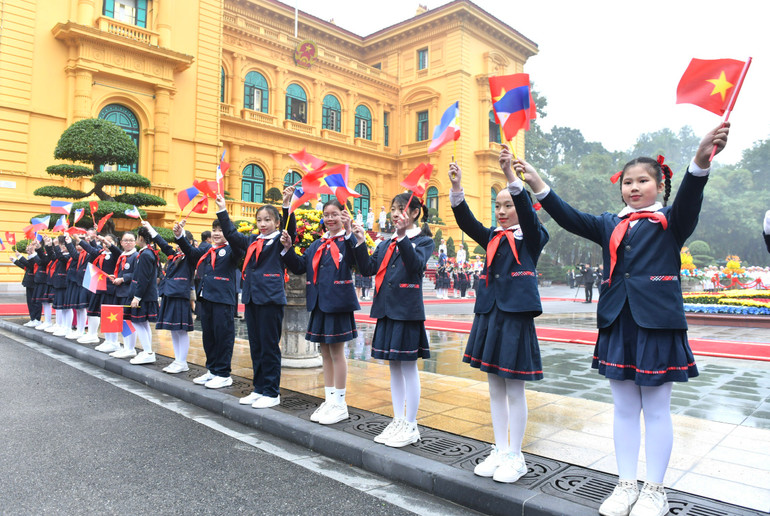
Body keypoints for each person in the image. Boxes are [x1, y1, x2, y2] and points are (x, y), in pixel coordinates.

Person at [515, 123, 730, 516]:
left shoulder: (671, 222)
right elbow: (566, 216)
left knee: (658, 409)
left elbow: (691, 193)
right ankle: (625, 484)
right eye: (627, 182)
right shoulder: (608, 224)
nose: (634, 187)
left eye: (643, 180)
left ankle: (655, 490)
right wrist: (539, 184)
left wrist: (701, 160)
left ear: (659, 185)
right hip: (618, 322)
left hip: (658, 324)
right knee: (625, 409)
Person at [449, 154, 548, 483]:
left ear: (523, 207)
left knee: (514, 391)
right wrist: (457, 187)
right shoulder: (492, 237)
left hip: (516, 318)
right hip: (490, 315)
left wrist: (509, 174)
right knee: (494, 389)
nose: (502, 211)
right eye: (498, 205)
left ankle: (515, 456)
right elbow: (467, 223)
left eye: (509, 204)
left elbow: (530, 221)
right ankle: (501, 448)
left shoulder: (533, 236)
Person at [352, 192, 434, 447]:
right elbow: (368, 269)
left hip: (407, 312)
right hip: (387, 310)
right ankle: (398, 419)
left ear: (414, 213)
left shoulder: (423, 241)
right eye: (393, 209)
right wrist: (358, 242)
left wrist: (400, 238)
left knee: (408, 368)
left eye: (401, 209)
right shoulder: (386, 243)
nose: (396, 214)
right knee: (394, 368)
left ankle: (411, 424)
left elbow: (415, 265)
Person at [281, 199, 358, 425]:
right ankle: (330, 399)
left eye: (334, 214)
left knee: (337, 353)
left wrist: (351, 233)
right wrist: (287, 249)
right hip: (319, 304)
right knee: (324, 353)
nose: (330, 218)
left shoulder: (347, 241)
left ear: (342, 216)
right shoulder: (316, 244)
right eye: (326, 214)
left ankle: (340, 403)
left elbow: (358, 261)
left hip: (338, 304)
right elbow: (299, 266)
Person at [216, 188, 295, 405]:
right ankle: (259, 387)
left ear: (277, 222)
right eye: (259, 220)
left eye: (267, 220)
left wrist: (286, 205)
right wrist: (222, 210)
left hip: (270, 299)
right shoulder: (252, 240)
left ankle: (272, 392)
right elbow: (231, 235)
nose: (263, 224)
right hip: (252, 298)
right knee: (256, 345)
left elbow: (292, 229)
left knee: (269, 346)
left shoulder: (281, 238)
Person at [175, 214, 243, 389]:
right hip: (206, 299)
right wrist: (180, 236)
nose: (217, 233)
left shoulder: (232, 250)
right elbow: (190, 253)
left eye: (221, 230)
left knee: (223, 337)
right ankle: (212, 370)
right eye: (214, 230)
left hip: (223, 300)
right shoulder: (207, 250)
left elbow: (236, 244)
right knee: (209, 336)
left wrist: (228, 226)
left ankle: (223, 373)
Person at [143, 222, 194, 373]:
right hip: (169, 293)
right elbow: (162, 242)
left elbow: (185, 247)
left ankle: (182, 361)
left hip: (179, 295)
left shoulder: (191, 255)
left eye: (182, 242)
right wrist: (150, 228)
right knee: (173, 329)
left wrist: (181, 235)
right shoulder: (174, 255)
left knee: (181, 329)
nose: (179, 246)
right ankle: (178, 360)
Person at [124, 226, 160, 365]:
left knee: (138, 322)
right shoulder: (149, 252)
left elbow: (143, 278)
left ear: (141, 238)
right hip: (147, 294)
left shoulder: (145, 254)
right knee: (142, 323)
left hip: (143, 295)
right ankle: (147, 350)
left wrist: (137, 297)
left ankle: (148, 352)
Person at [79, 233, 120, 348]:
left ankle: (114, 341)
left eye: (108, 242)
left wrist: (108, 244)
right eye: (104, 242)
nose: (105, 244)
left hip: (110, 288)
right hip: (98, 286)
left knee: (109, 315)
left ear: (115, 243)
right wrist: (78, 239)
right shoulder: (101, 253)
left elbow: (116, 251)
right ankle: (97, 335)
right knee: (94, 311)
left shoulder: (117, 254)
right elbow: (91, 249)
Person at [109, 232, 139, 359]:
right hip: (120, 291)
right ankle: (126, 346)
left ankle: (130, 348)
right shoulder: (122, 255)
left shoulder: (136, 256)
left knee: (128, 321)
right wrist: (116, 277)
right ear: (121, 242)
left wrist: (122, 279)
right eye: (125, 240)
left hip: (128, 292)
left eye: (131, 240)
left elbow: (136, 274)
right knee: (122, 321)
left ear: (135, 242)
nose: (128, 242)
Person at [11, 243, 42, 327]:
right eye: (27, 249)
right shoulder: (31, 258)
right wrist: (15, 261)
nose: (28, 250)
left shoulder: (37, 257)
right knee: (30, 302)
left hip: (35, 282)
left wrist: (20, 257)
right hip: (29, 282)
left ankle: (37, 319)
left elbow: (30, 266)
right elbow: (25, 267)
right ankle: (32, 319)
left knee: (36, 302)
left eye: (30, 249)